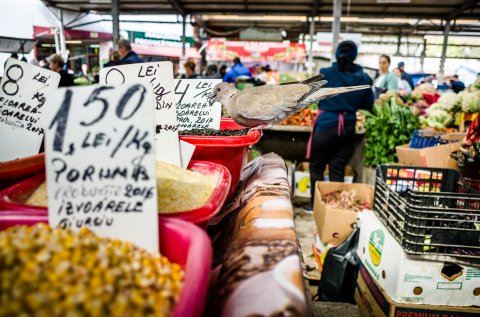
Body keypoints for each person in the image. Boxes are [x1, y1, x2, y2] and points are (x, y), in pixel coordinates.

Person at [308, 41, 374, 204]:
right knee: (337, 167)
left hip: (326, 125)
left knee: (317, 166)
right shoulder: (364, 78)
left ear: (337, 54)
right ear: (354, 55)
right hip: (348, 127)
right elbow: (368, 106)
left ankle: (316, 205)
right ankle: (334, 204)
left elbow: (311, 96)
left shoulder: (325, 73)